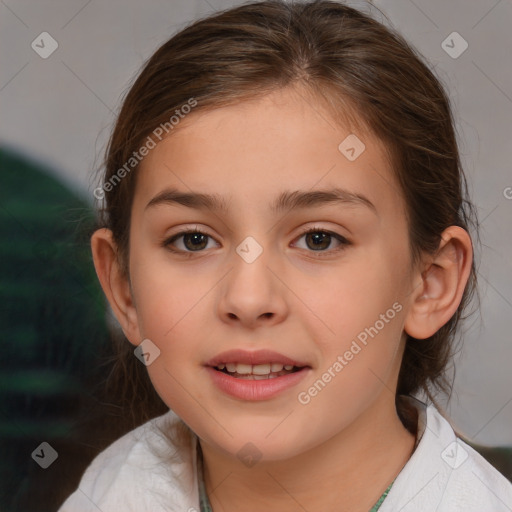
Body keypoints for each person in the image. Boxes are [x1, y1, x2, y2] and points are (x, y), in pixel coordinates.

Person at [58, 1, 512, 510]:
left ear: (430, 282)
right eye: (194, 240)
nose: (249, 299)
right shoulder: (107, 494)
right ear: (123, 288)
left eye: (319, 239)